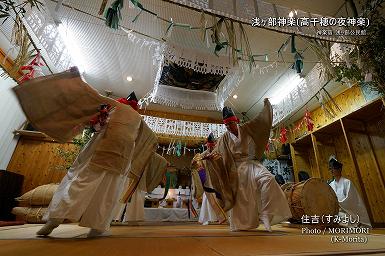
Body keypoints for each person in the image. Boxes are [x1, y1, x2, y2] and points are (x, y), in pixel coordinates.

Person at [13, 67, 168, 237]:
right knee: (107, 194)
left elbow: (95, 96)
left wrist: (75, 79)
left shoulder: (116, 107)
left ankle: (54, 220)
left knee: (80, 185)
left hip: (104, 153)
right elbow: (148, 141)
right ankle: (96, 227)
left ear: (124, 102)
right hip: (121, 160)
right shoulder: (139, 120)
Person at [207, 99, 291, 232]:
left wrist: (266, 107)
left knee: (268, 179)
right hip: (236, 170)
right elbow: (218, 153)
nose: (229, 127)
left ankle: (266, 214)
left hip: (252, 164)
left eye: (230, 123)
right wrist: (212, 157)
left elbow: (261, 121)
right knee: (242, 197)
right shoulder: (224, 138)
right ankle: (243, 224)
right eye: (226, 125)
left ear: (236, 121)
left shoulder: (247, 129)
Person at [191, 133, 227, 225]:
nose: (211, 148)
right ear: (207, 145)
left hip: (218, 180)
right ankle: (210, 218)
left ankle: (222, 218)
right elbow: (196, 166)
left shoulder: (219, 153)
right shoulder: (202, 155)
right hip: (207, 180)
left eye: (212, 146)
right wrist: (197, 162)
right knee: (209, 198)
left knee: (220, 198)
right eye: (209, 146)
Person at [328, 155, 371, 227]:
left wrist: (338, 203)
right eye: (330, 169)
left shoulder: (347, 182)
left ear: (339, 169)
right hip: (336, 210)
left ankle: (356, 224)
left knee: (340, 217)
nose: (331, 171)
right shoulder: (331, 184)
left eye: (333, 168)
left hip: (348, 211)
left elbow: (351, 199)